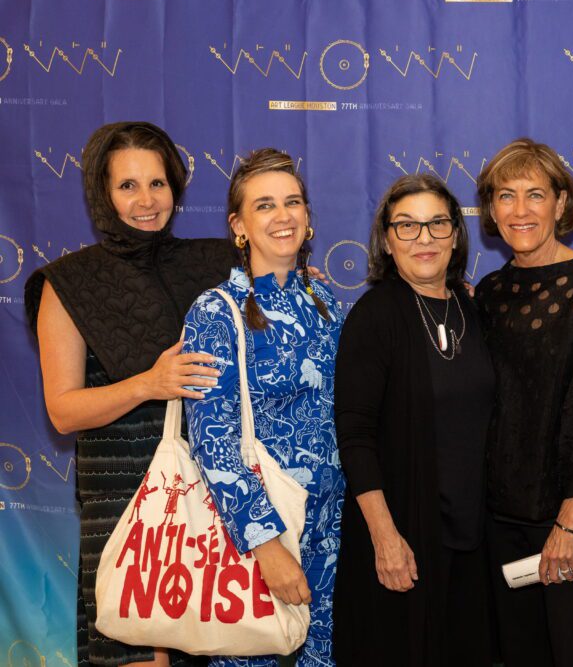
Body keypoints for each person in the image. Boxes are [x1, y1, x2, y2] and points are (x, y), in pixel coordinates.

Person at [26, 121, 236, 667]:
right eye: (127, 186)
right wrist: (150, 383)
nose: (147, 201)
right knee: (135, 654)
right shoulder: (68, 282)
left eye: (158, 184)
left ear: (176, 187)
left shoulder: (217, 264)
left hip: (214, 500)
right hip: (121, 506)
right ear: (102, 193)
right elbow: (63, 410)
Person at [182, 148, 345, 666]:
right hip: (256, 542)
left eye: (293, 202)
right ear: (239, 225)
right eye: (265, 205)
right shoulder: (214, 311)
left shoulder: (328, 304)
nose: (283, 216)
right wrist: (265, 544)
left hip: (331, 536)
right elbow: (213, 441)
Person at [474, 138, 573, 667]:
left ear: (561, 204)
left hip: (570, 519)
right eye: (505, 196)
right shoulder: (489, 293)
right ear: (491, 209)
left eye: (535, 195)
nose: (520, 211)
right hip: (499, 520)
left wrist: (567, 522)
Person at [332, 174, 494, 666]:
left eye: (437, 224)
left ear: (454, 234)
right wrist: (386, 538)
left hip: (472, 540)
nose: (424, 238)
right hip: (403, 538)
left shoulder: (473, 308)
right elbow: (355, 437)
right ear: (386, 238)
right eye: (407, 226)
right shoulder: (374, 317)